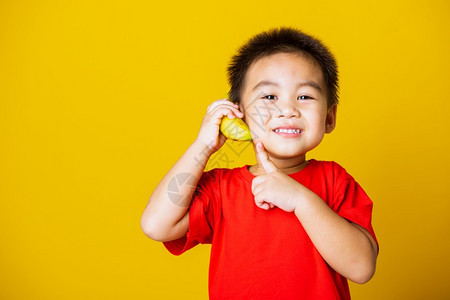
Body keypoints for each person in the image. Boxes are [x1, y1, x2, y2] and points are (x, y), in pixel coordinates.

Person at [141, 27, 378, 299]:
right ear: (237, 114)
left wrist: (300, 200)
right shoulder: (221, 189)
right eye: (269, 97)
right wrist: (202, 147)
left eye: (305, 96)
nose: (287, 110)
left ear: (329, 117)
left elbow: (362, 268)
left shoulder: (335, 180)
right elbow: (155, 225)